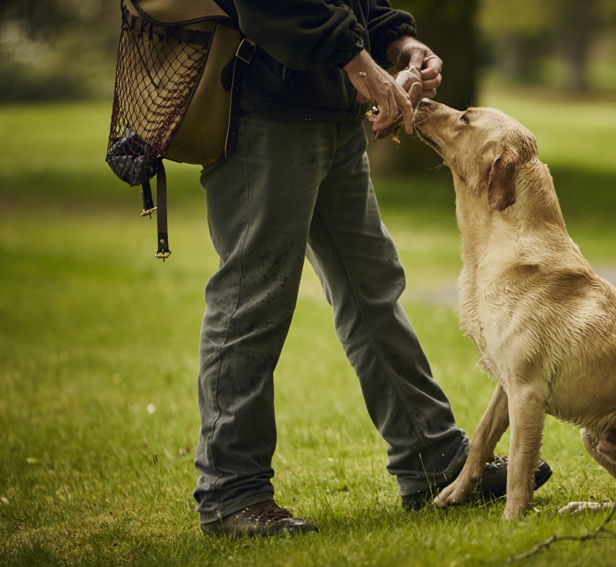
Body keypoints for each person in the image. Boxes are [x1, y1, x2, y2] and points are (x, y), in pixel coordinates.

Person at [194, 0, 551, 537]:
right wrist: (362, 65)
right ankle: (231, 492)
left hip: (332, 116)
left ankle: (431, 460)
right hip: (267, 112)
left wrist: (401, 44)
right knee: (253, 300)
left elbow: (354, 5)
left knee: (372, 291)